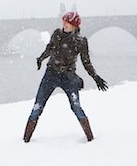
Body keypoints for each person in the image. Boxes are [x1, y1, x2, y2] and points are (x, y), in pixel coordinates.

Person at [23, 11, 108, 143]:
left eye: (67, 23)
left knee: (76, 107)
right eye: (63, 22)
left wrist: (95, 77)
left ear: (75, 26)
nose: (64, 25)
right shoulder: (57, 34)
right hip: (50, 74)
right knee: (37, 107)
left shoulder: (81, 41)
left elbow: (86, 62)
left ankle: (91, 140)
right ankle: (25, 141)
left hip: (68, 77)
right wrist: (41, 58)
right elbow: (50, 48)